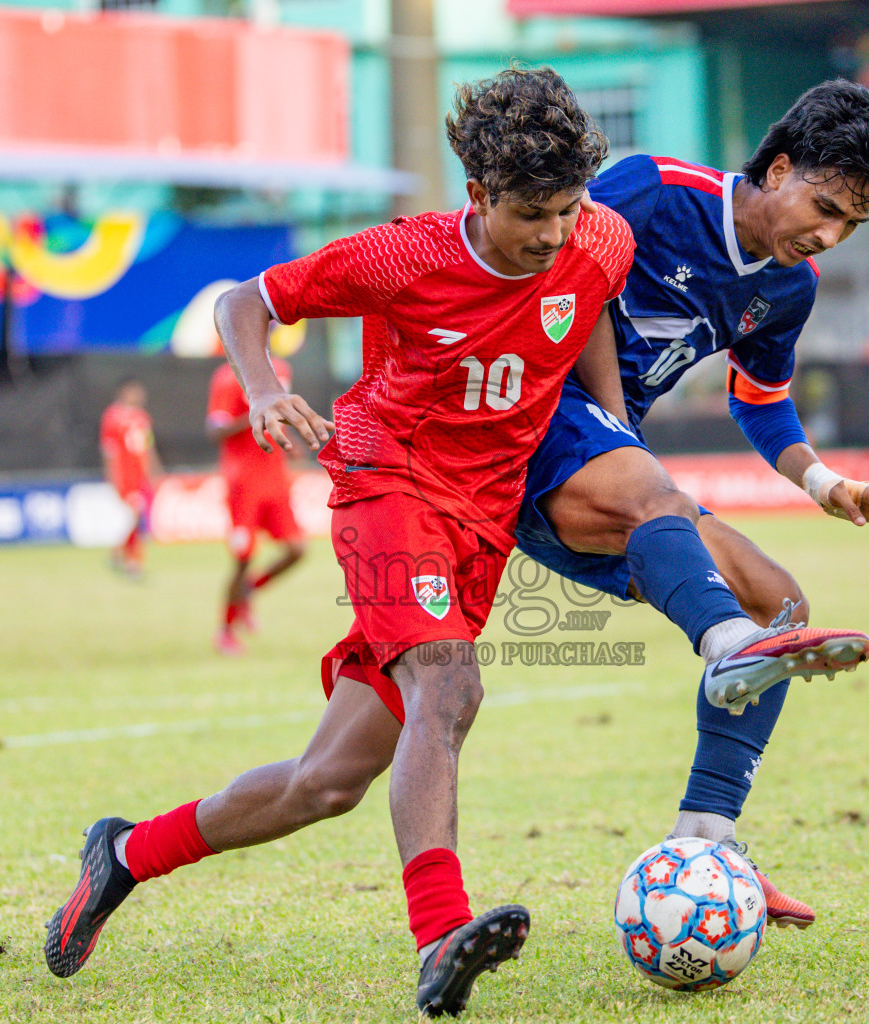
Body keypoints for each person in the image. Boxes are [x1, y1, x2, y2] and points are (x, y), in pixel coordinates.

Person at [44, 67, 634, 1018]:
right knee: (450, 686)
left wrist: (616, 432)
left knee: (327, 783)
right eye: (532, 214)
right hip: (387, 481)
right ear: (477, 193)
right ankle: (440, 936)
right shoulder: (401, 256)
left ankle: (122, 854)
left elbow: (592, 293)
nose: (554, 234)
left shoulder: (598, 236)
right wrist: (264, 389)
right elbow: (244, 302)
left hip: (483, 522)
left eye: (568, 209)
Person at [513, 79, 869, 929]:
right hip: (525, 426)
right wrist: (616, 427)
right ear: (779, 168)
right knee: (662, 509)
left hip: (609, 468)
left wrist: (823, 481)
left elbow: (760, 399)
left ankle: (707, 842)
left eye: (852, 224)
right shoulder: (656, 191)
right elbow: (566, 280)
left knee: (780, 604)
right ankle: (724, 643)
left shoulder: (790, 288)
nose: (830, 235)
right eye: (826, 207)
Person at [207, 355, 306, 654]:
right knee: (243, 558)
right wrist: (256, 414)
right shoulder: (228, 377)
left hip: (275, 477)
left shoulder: (282, 369)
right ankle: (225, 631)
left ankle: (248, 592)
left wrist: (290, 441)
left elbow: (280, 415)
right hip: (244, 482)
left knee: (296, 550)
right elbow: (215, 430)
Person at [99, 378, 162, 578]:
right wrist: (113, 478)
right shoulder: (112, 416)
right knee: (135, 516)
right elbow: (109, 451)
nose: (140, 396)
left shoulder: (142, 417)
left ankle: (117, 554)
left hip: (140, 476)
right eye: (135, 392)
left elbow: (148, 447)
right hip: (125, 476)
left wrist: (155, 471)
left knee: (136, 518)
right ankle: (133, 563)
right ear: (124, 392)